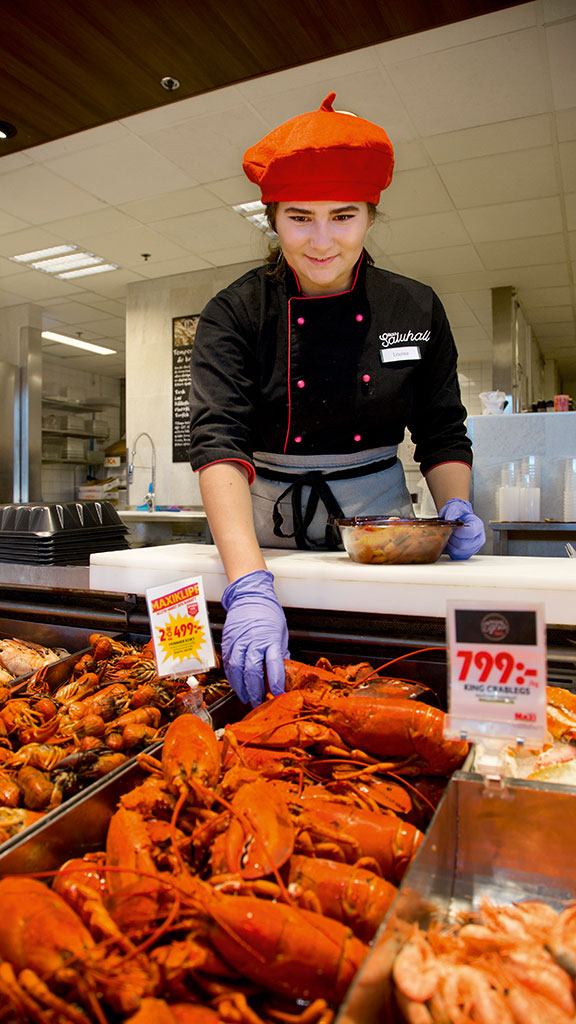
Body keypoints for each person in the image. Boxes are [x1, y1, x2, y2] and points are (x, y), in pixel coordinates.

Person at [189, 93, 486, 707]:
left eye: (343, 216)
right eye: (300, 217)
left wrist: (455, 505)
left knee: (385, 679)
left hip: (384, 534)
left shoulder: (415, 307)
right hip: (265, 534)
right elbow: (218, 441)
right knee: (271, 691)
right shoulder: (235, 312)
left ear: (371, 216)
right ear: (272, 218)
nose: (322, 241)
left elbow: (442, 430)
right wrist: (248, 584)